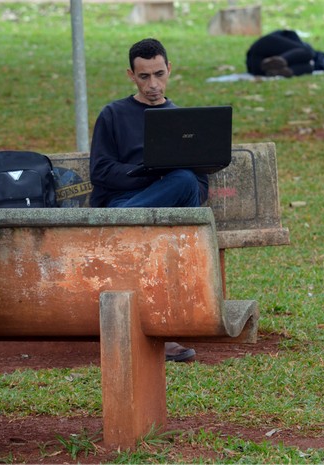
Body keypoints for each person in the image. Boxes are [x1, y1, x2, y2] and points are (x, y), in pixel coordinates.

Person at [89, 38, 204, 362]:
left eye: (158, 74)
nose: (153, 84)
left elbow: (200, 182)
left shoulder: (184, 121)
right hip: (126, 198)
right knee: (168, 201)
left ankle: (127, 217)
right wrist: (147, 173)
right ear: (131, 75)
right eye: (144, 77)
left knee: (183, 179)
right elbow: (100, 172)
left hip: (172, 206)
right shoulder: (113, 114)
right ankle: (163, 333)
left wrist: (167, 183)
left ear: (170, 69)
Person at [246, 29, 324, 77]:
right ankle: (281, 61)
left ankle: (281, 68)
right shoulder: (295, 44)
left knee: (309, 67)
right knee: (307, 53)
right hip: (261, 53)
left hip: (257, 67)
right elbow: (290, 34)